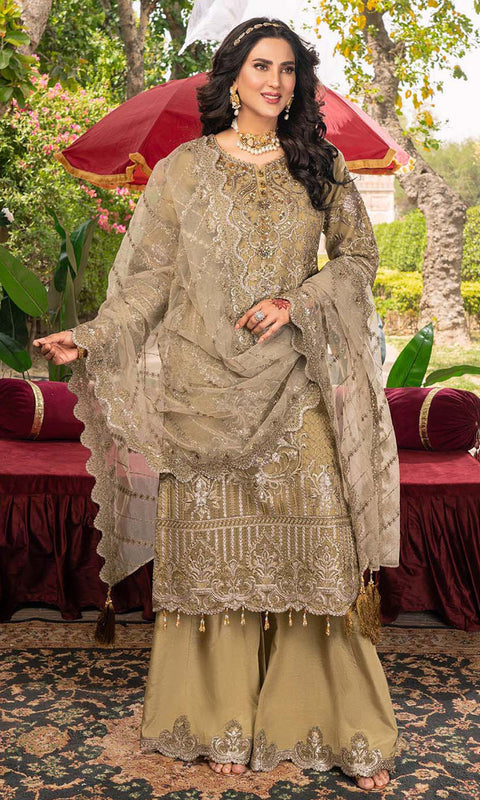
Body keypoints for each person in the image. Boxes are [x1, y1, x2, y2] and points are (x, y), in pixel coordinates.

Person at [33, 16, 401, 791]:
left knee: (315, 553)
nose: (276, 81)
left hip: (291, 389)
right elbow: (148, 283)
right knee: (213, 566)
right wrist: (91, 335)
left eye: (289, 69)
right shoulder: (181, 171)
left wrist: (297, 300)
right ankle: (212, 720)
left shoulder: (318, 165)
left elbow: (360, 258)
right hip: (200, 395)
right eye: (261, 66)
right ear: (231, 75)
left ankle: (328, 724)